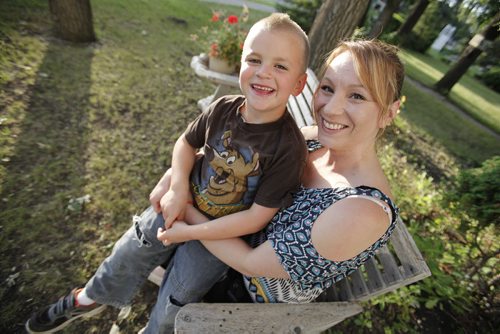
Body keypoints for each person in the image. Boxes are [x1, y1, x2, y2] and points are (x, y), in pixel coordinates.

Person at [25, 13, 310, 334]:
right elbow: (186, 145)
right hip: (183, 202)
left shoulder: (288, 148)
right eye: (254, 59)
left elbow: (255, 219)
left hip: (221, 238)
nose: (263, 72)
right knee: (133, 246)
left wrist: (189, 232)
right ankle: (90, 298)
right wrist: (176, 188)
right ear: (240, 63)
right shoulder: (224, 108)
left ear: (299, 84)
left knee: (182, 294)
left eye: (280, 66)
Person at [159, 39, 404, 304]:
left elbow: (250, 263)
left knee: (172, 248)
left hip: (246, 296)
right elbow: (232, 161)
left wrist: (186, 206)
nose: (331, 109)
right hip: (229, 227)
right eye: (327, 88)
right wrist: (176, 181)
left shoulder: (362, 212)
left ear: (390, 112)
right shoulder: (312, 141)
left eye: (357, 96)